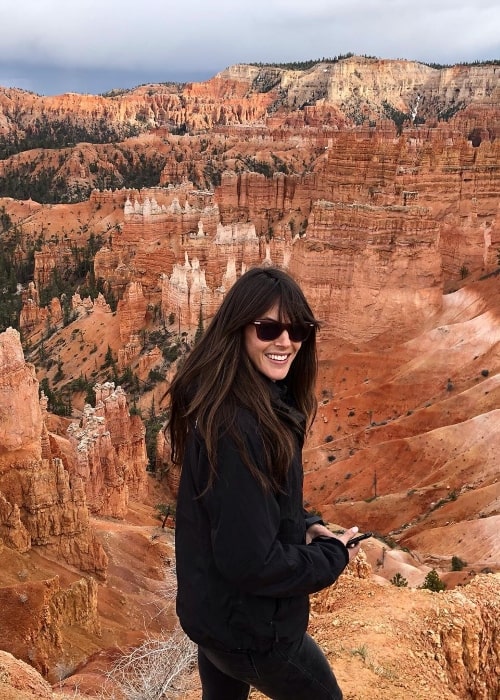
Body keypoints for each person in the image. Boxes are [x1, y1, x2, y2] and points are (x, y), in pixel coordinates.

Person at [167, 266, 361, 700]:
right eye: (269, 328)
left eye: (298, 329)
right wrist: (333, 555)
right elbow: (250, 562)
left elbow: (243, 503)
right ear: (239, 329)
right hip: (255, 634)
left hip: (215, 623)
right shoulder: (239, 426)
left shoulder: (229, 403)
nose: (286, 341)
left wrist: (303, 522)